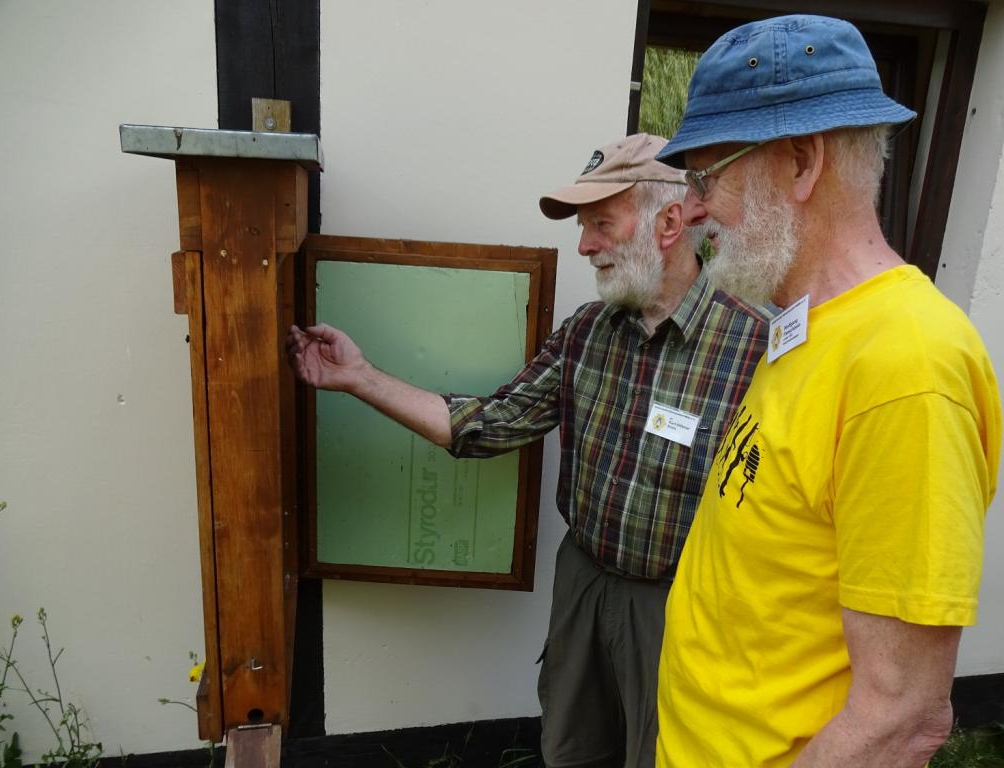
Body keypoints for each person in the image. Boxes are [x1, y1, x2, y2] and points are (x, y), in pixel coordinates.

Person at [286, 133, 769, 768]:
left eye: (601, 223)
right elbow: (486, 425)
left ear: (670, 222)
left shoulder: (756, 349)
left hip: (684, 604)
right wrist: (358, 377)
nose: (584, 245)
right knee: (573, 749)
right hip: (585, 583)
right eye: (583, 226)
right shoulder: (587, 334)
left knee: (672, 755)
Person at [652, 15, 1003, 768]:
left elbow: (903, 717)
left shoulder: (905, 369)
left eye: (706, 174)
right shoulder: (810, 327)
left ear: (803, 161)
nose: (695, 207)